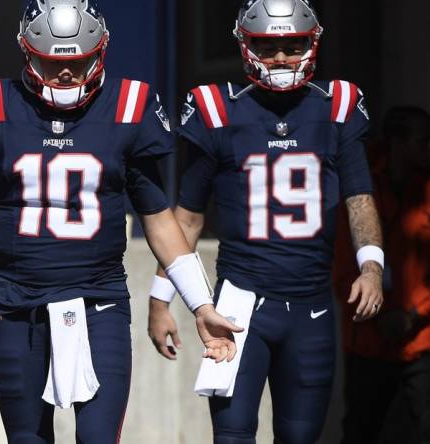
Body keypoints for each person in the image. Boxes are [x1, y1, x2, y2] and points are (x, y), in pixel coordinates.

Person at [0, 1, 241, 442]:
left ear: (100, 52)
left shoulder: (129, 104)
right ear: (26, 52)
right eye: (51, 62)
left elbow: (158, 219)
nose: (65, 75)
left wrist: (200, 305)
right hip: (17, 305)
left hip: (99, 301)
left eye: (77, 63)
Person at [147, 1, 384, 442]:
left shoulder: (338, 106)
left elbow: (359, 196)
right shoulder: (216, 109)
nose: (279, 58)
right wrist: (161, 300)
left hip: (311, 306)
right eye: (268, 46)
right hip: (240, 304)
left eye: (291, 46)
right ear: (245, 45)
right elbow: (189, 216)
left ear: (311, 45)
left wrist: (371, 267)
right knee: (232, 436)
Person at [334, 106, 430, 444]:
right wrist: (379, 315)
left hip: (420, 338)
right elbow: (343, 263)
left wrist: (415, 314)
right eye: (423, 140)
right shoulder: (361, 187)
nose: (428, 148)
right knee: (361, 429)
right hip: (367, 341)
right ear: (397, 142)